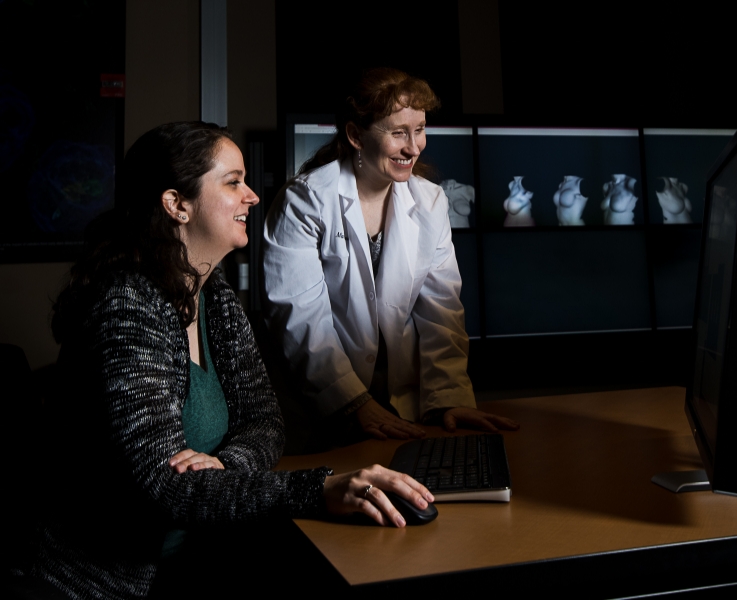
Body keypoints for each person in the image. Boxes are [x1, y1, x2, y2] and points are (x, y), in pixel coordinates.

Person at [11, 122, 433, 600]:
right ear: (177, 204)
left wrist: (223, 466)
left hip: (198, 557)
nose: (252, 196)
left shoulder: (217, 300)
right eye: (233, 182)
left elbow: (266, 423)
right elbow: (163, 487)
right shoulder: (127, 305)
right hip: (103, 583)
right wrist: (317, 491)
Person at [263, 68, 518, 448]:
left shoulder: (430, 202)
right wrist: (353, 403)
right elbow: (301, 319)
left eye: (419, 130)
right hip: (318, 406)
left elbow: (441, 313)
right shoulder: (307, 200)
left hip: (401, 403)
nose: (414, 147)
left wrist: (448, 400)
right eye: (398, 132)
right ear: (355, 136)